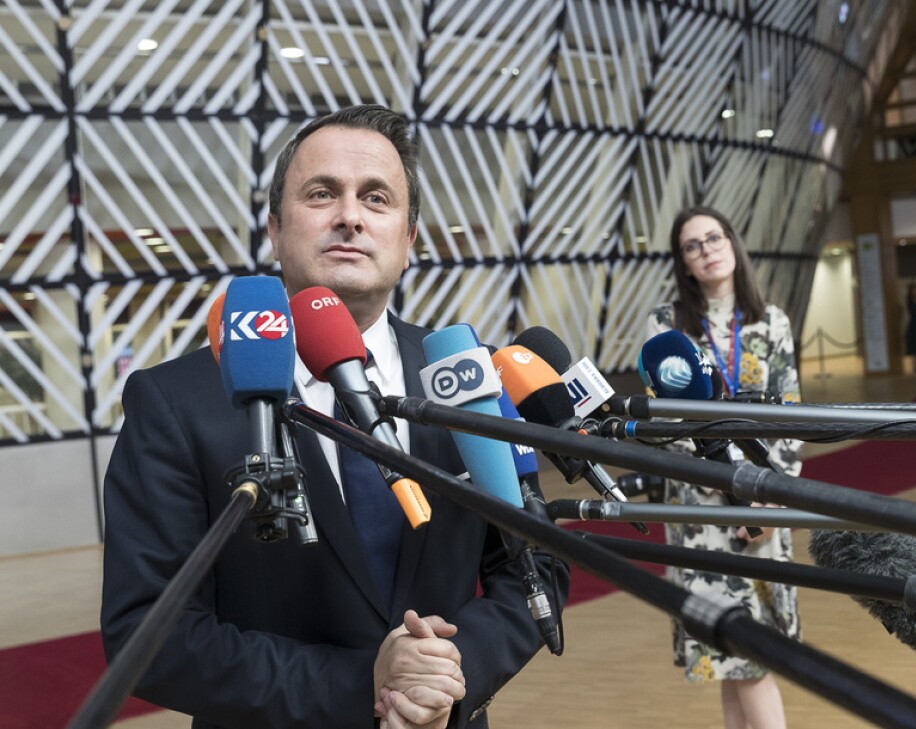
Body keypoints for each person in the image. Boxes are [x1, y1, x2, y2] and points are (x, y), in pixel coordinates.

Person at [100, 105, 568, 729]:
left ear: (408, 240)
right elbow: (147, 635)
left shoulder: (468, 379)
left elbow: (535, 566)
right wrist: (367, 686)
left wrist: (451, 675)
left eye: (376, 198)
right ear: (275, 230)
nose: (350, 215)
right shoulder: (175, 400)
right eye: (321, 194)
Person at [647, 206, 801, 729]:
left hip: (765, 502)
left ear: (732, 243)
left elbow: (794, 414)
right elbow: (666, 422)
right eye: (692, 245)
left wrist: (772, 496)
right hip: (704, 509)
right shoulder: (666, 326)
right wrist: (731, 483)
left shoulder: (771, 321)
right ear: (684, 262)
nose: (707, 250)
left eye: (714, 238)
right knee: (735, 655)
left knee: (749, 660)